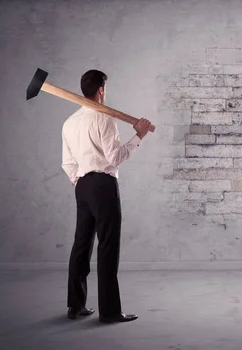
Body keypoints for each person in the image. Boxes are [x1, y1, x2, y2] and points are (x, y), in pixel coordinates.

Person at [61, 69, 151, 323]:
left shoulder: (69, 122)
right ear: (101, 89)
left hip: (82, 186)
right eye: (105, 87)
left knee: (81, 245)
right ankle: (110, 312)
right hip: (103, 185)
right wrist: (139, 136)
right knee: (108, 247)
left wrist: (81, 183)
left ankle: (75, 306)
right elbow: (115, 157)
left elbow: (68, 163)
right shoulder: (105, 118)